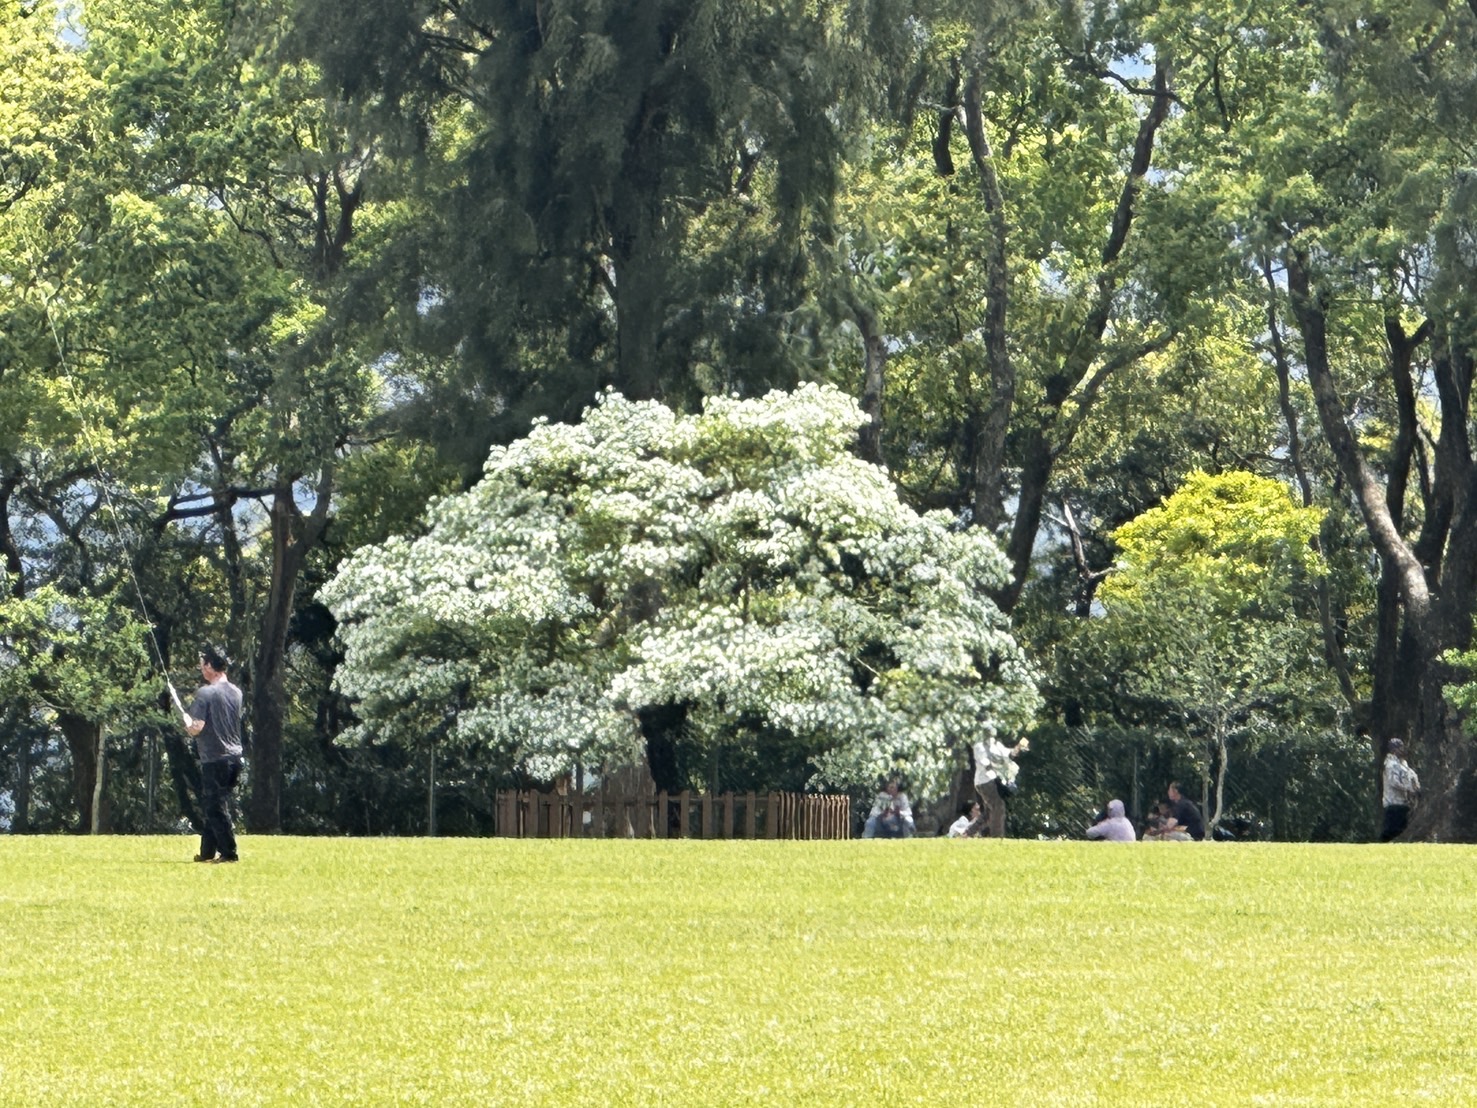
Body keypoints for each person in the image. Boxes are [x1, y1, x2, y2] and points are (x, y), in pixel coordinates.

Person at [184, 644, 245, 863]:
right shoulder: (236, 692)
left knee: (215, 807)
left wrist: (187, 724)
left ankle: (229, 853)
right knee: (213, 805)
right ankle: (207, 852)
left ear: (210, 666)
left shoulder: (206, 693)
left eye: (202, 665)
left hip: (215, 758)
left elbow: (197, 728)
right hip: (235, 759)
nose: (201, 669)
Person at [972, 734, 1029, 837]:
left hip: (991, 781)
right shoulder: (979, 746)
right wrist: (996, 775)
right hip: (984, 781)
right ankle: (996, 837)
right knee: (998, 806)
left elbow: (1010, 754)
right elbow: (985, 762)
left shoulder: (996, 745)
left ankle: (967, 833)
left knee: (989, 810)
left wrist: (1019, 747)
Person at [1380, 738, 1421, 842]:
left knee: (1401, 829)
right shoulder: (1391, 764)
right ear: (1394, 749)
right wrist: (1409, 789)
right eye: (1400, 747)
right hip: (1393, 802)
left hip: (1403, 803)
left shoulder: (1402, 764)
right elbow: (1393, 781)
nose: (1403, 749)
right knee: (1391, 830)